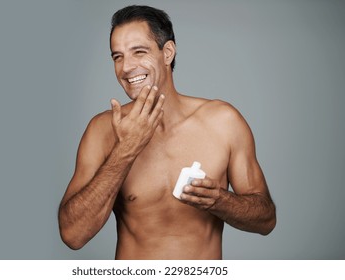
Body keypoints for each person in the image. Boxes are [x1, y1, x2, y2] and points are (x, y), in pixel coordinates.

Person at [58, 5, 276, 260]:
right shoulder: (102, 130)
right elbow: (73, 235)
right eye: (117, 57)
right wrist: (126, 150)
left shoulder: (223, 121)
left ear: (168, 52)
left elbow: (266, 220)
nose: (126, 67)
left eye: (139, 52)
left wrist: (219, 201)